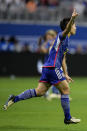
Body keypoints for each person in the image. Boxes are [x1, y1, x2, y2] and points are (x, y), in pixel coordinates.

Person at [4, 9, 80, 124]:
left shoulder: (66, 40)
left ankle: (14, 98)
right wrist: (72, 18)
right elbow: (67, 29)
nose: (76, 28)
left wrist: (66, 73)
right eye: (74, 25)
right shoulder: (62, 35)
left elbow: (63, 58)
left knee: (39, 92)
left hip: (48, 68)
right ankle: (67, 118)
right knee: (66, 90)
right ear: (68, 26)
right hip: (53, 67)